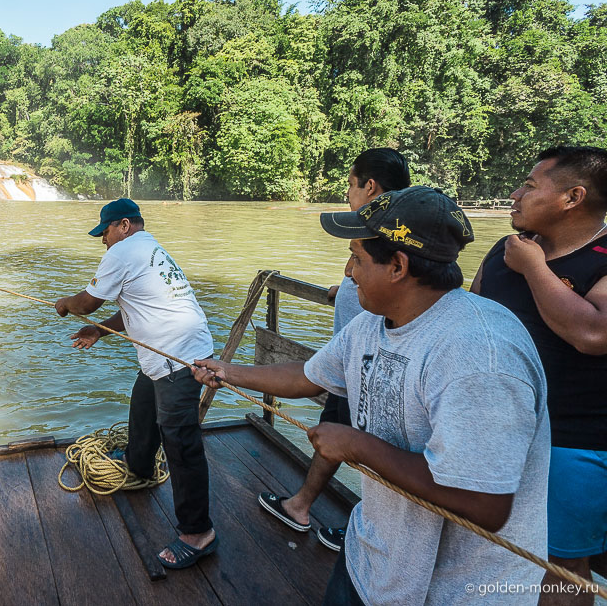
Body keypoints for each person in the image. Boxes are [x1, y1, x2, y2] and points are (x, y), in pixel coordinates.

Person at [194, 186, 550, 605]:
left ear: (398, 266)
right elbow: (311, 377)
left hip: (456, 590)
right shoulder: (373, 323)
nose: (347, 271)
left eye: (358, 258)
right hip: (371, 559)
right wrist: (231, 371)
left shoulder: (479, 355)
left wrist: (357, 445)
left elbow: (484, 505)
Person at [472, 146, 607, 606]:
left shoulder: (600, 258)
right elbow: (473, 319)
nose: (515, 194)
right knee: (486, 543)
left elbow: (593, 333)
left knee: (561, 564)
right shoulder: (504, 249)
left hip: (571, 438)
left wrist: (533, 268)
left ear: (572, 197)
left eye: (530, 185)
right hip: (498, 428)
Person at [260, 148, 410, 552]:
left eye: (349, 183)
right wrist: (345, 287)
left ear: (370, 186)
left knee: (373, 450)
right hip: (349, 362)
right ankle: (306, 506)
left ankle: (363, 529)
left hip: (367, 369)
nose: (347, 192)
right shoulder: (391, 229)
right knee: (341, 440)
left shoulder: (392, 225)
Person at [54, 198, 218, 569]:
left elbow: (86, 301)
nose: (103, 241)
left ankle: (198, 533)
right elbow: (136, 310)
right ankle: (138, 463)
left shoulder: (125, 251)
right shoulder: (150, 248)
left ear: (124, 225)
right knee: (143, 403)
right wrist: (98, 331)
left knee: (181, 443)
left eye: (105, 232)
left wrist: (65, 304)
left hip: (176, 356)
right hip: (174, 350)